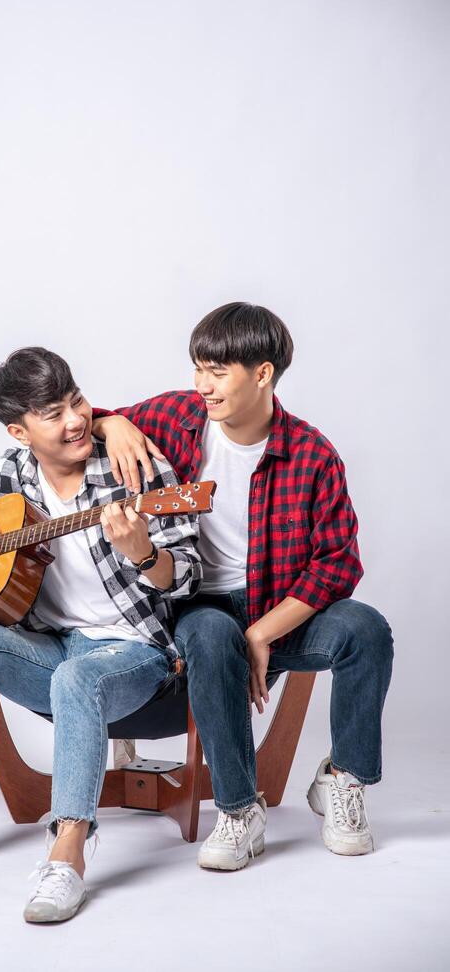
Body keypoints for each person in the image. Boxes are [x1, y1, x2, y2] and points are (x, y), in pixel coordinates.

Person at [0, 346, 201, 922]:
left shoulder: (134, 468)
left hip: (134, 655)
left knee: (78, 676)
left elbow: (189, 575)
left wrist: (145, 553)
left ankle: (67, 856)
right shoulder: (9, 475)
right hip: (53, 647)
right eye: (53, 413)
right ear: (19, 430)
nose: (75, 420)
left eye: (77, 402)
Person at [92, 302, 394, 870]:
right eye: (197, 368)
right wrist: (115, 423)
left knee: (366, 630)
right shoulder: (176, 418)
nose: (202, 385)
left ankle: (343, 781)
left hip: (280, 610)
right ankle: (238, 810)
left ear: (262, 374)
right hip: (201, 603)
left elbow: (337, 563)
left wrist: (261, 632)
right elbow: (86, 425)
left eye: (217, 372)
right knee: (207, 637)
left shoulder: (311, 453)